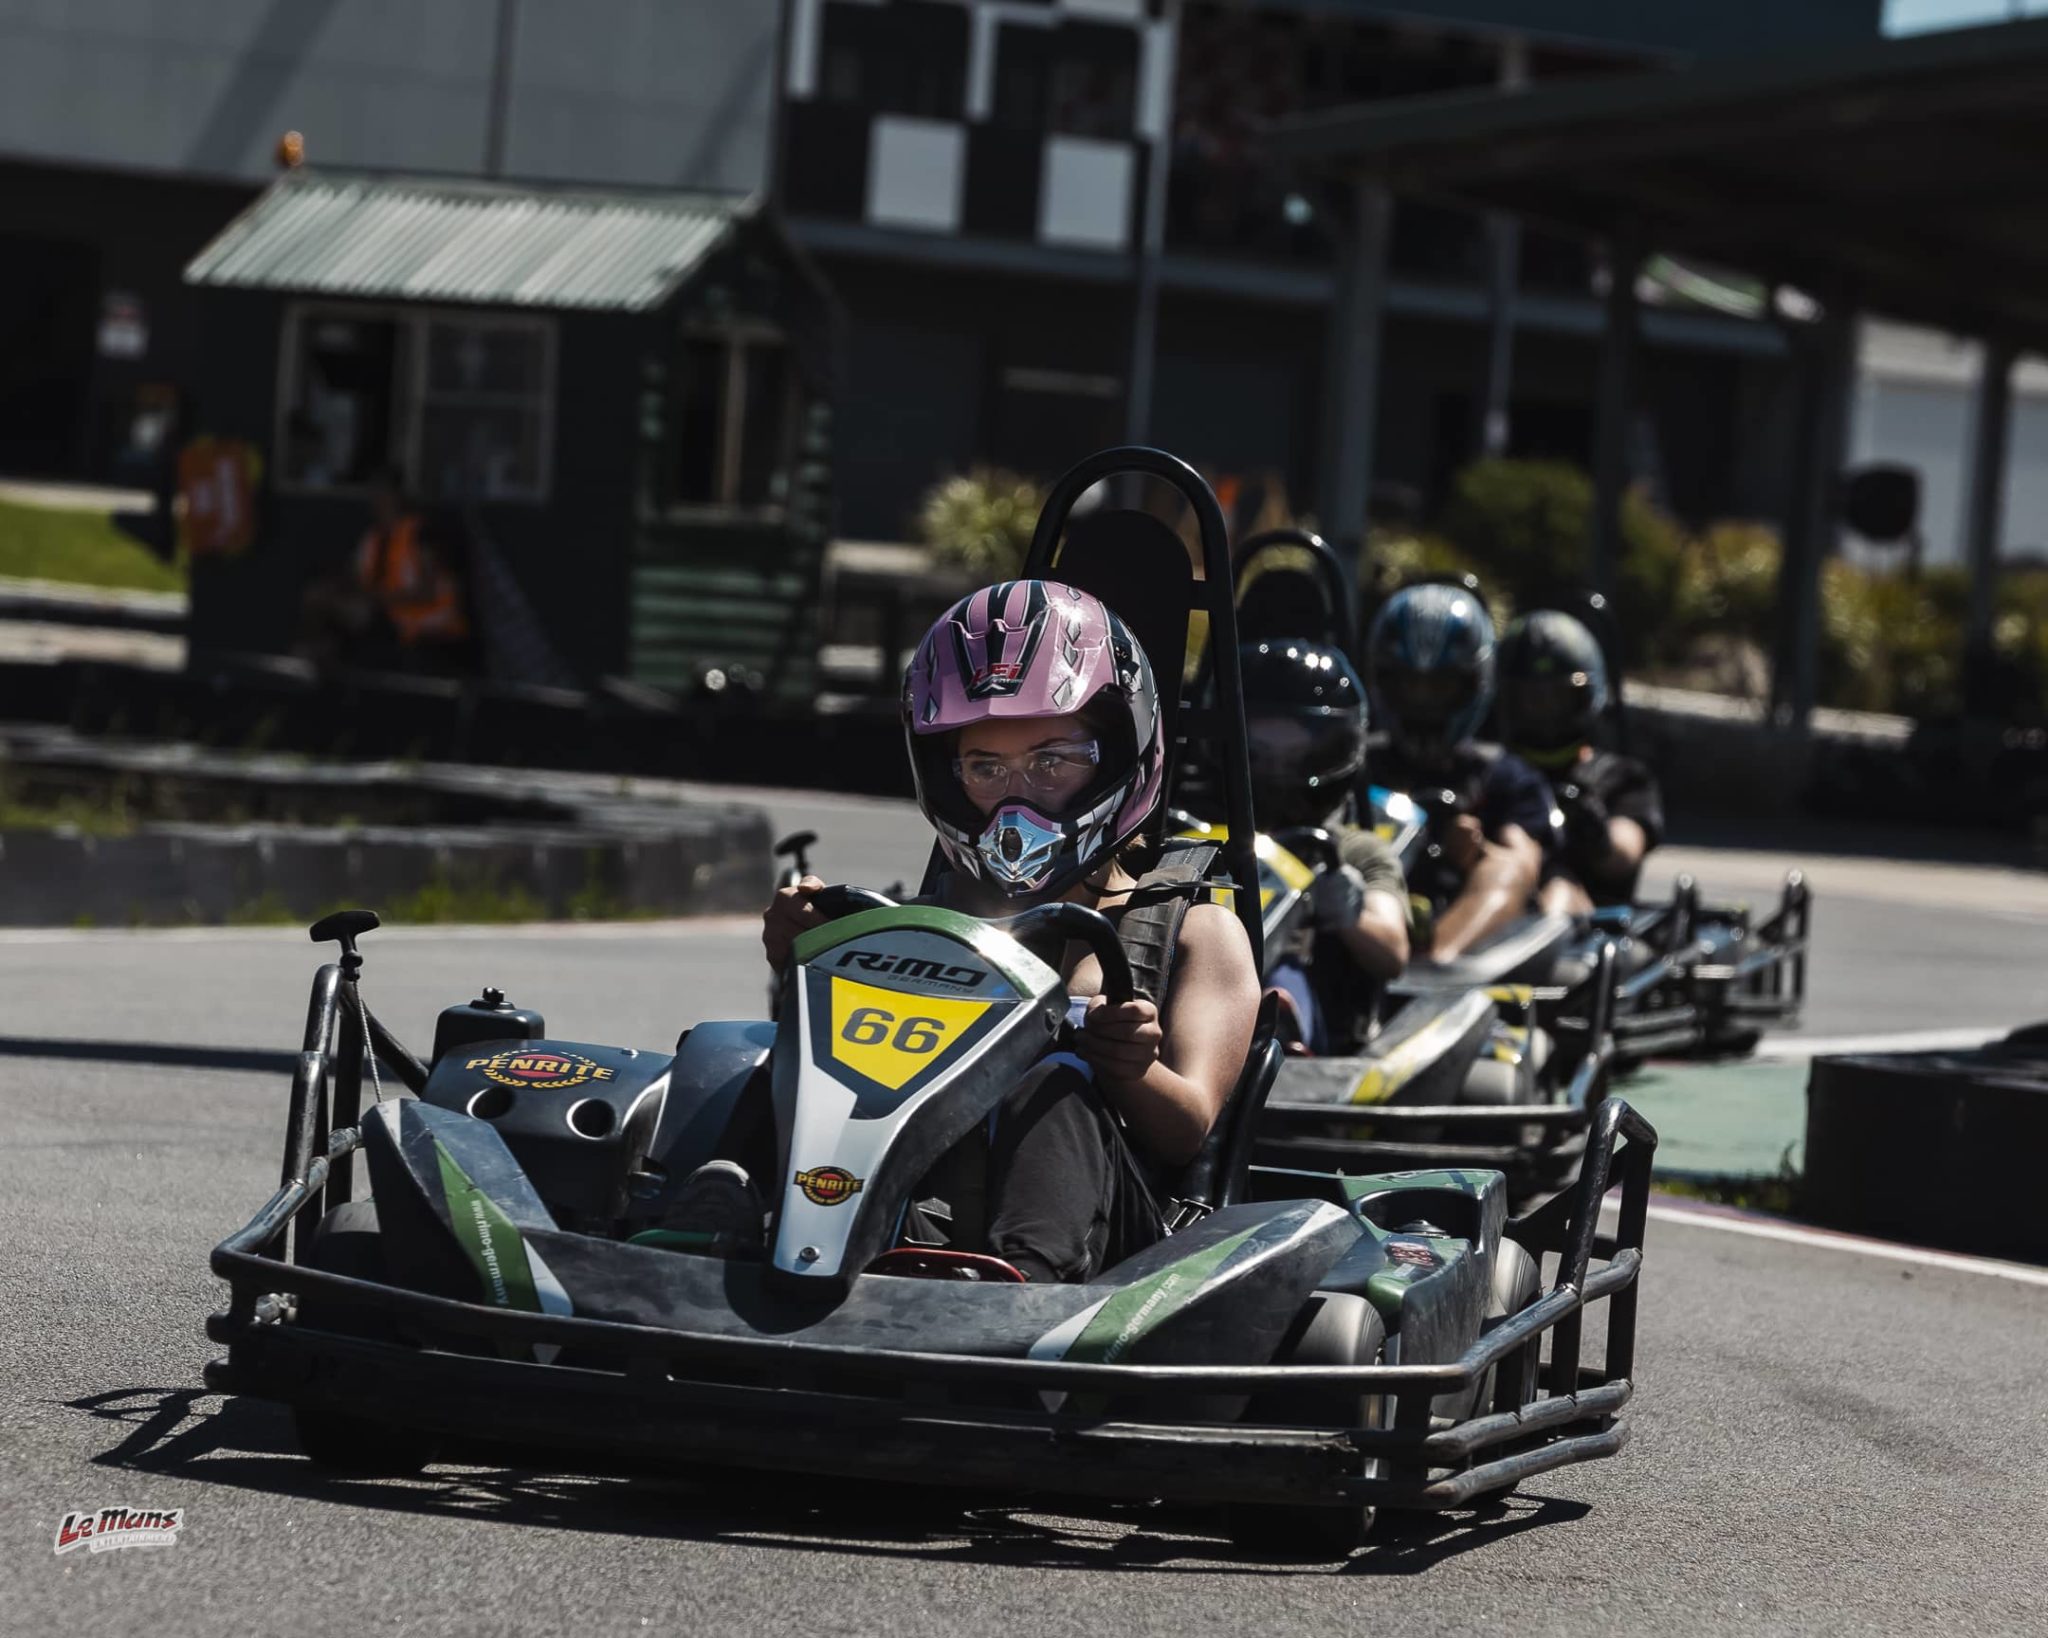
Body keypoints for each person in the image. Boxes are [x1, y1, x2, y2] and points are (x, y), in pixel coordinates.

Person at [757, 580, 1261, 1284]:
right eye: (986, 768)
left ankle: (1017, 1287)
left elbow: (1188, 1131)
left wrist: (1130, 1069)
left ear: (1120, 753)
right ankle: (718, 1224)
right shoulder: (916, 926)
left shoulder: (1197, 931)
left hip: (1111, 1251)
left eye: (1052, 761)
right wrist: (804, 957)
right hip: (919, 1216)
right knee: (740, 1052)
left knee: (1057, 1081)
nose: (1017, 797)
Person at [1363, 583, 1553, 962]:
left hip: (1464, 944)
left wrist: (1474, 849)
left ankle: (1432, 965)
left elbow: (1523, 861)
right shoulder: (1354, 765)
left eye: (1439, 687)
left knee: (1506, 869)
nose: (1422, 702)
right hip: (1365, 914)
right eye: (1409, 684)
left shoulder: (1504, 776)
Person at [1239, 638, 1408, 1048]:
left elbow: (1393, 951)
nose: (1277, 774)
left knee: (1282, 976)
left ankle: (1271, 1032)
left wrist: (1350, 915)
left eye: (1294, 757)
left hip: (1314, 1028)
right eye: (1260, 755)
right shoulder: (1194, 835)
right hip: (1193, 999)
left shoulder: (1352, 850)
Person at [1498, 610, 1665, 913]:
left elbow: (1624, 853)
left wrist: (1596, 835)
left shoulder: (1621, 778)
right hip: (1497, 903)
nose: (1544, 711)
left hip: (1585, 922)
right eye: (1532, 699)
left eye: (1556, 698)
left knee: (1558, 885)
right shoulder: (1491, 774)